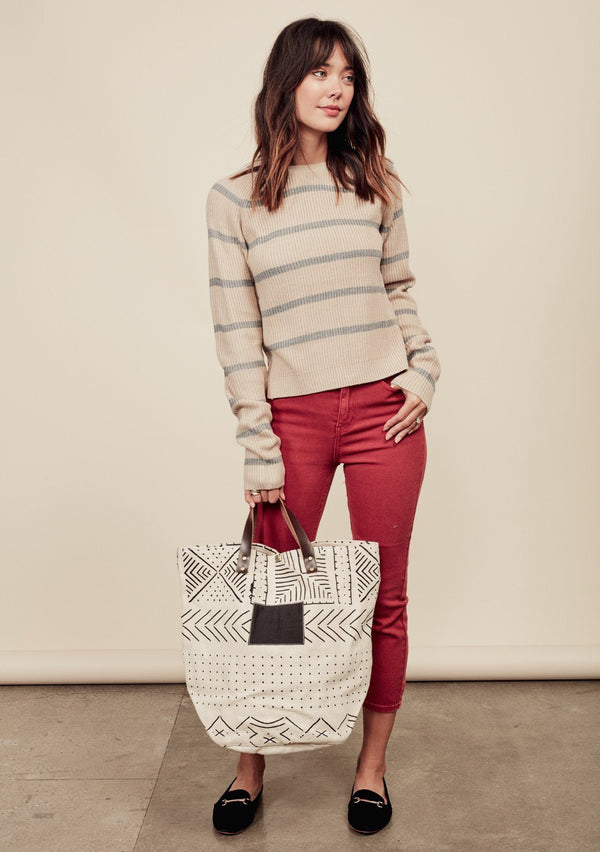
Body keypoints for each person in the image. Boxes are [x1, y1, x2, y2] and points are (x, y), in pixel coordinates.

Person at [205, 16, 441, 836]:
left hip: (384, 411)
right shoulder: (233, 199)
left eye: (347, 74)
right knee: (276, 601)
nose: (337, 87)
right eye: (320, 73)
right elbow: (236, 334)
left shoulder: (375, 183)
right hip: (293, 419)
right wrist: (257, 444)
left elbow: (401, 289)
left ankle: (370, 773)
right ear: (286, 83)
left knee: (385, 599)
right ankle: (249, 769)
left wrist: (424, 368)